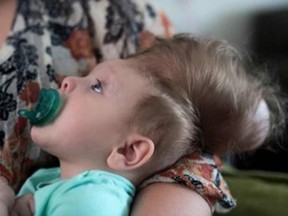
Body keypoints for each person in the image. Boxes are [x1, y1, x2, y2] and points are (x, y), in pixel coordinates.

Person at [0, 1, 284, 216]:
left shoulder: (91, 201)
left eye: (96, 85)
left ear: (128, 151)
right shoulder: (59, 181)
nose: (68, 81)